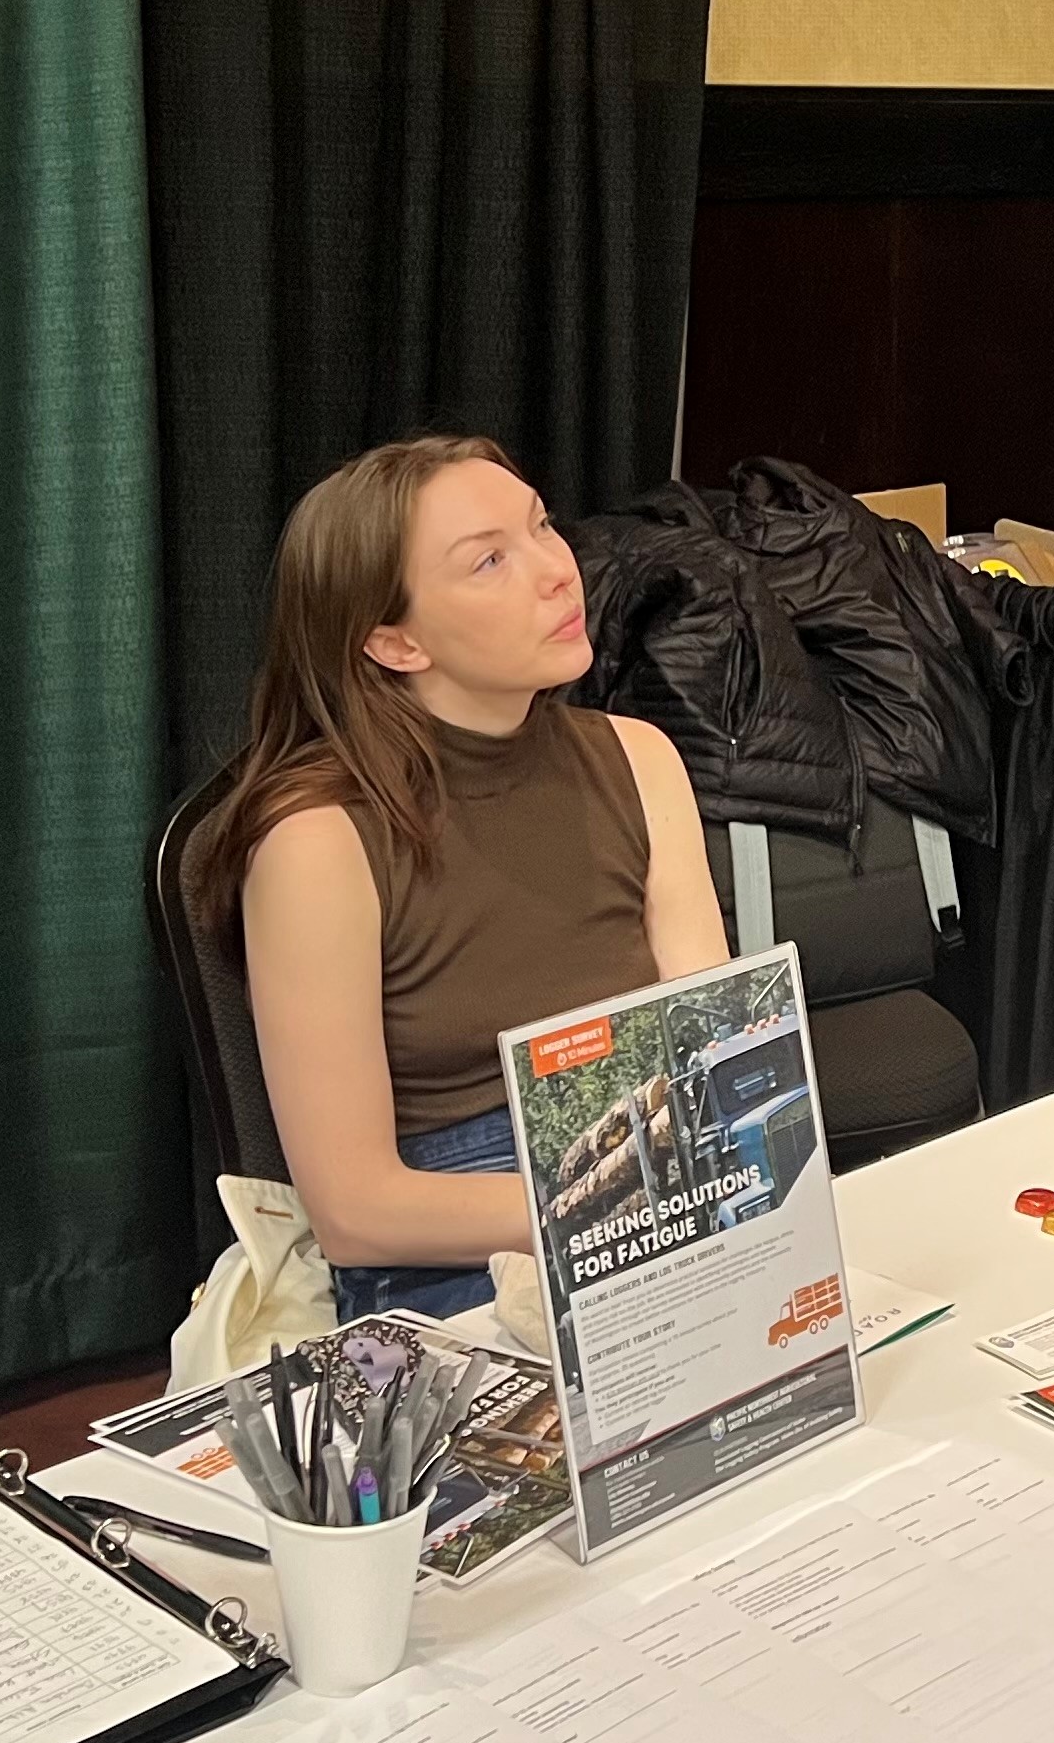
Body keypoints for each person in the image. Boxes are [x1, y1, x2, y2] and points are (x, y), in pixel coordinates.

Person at [191, 436, 728, 1322]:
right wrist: (607, 1212)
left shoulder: (640, 759)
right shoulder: (317, 842)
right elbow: (356, 1212)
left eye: (541, 527)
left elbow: (708, 1042)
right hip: (456, 1256)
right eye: (489, 561)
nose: (559, 571)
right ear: (394, 641)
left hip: (651, 1192)